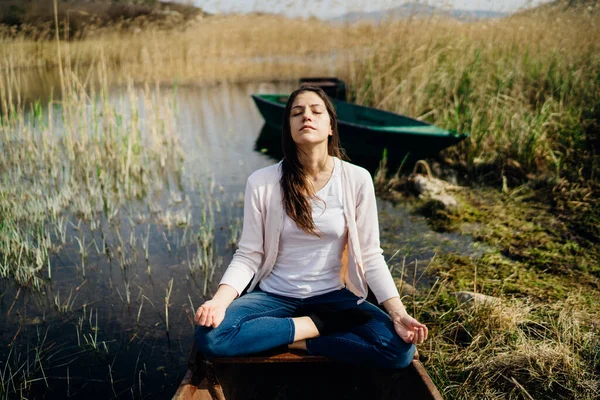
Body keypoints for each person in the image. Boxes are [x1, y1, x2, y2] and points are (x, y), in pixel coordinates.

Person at [194, 86, 427, 369]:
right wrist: (219, 302)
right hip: (274, 297)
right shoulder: (263, 181)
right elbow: (249, 255)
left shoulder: (356, 179)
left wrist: (398, 313)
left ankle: (298, 338)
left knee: (399, 351)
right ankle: (318, 326)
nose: (307, 116)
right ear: (289, 128)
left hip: (335, 298)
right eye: (297, 112)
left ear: (330, 126)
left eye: (316, 111)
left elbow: (370, 255)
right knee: (211, 337)